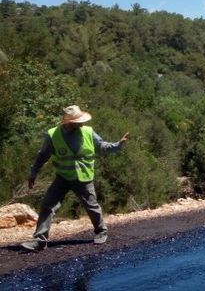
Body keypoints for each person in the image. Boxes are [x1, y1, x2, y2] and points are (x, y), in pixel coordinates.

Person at [21, 105, 129, 251]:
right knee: (47, 205)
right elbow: (43, 155)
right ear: (69, 122)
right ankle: (40, 241)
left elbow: (101, 146)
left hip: (83, 177)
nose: (81, 123)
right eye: (78, 121)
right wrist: (33, 172)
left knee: (91, 205)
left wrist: (118, 145)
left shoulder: (88, 132)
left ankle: (101, 231)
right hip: (63, 177)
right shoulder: (52, 135)